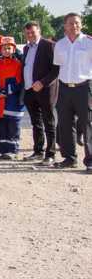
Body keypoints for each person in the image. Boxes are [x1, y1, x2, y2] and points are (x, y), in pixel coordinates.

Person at [53, 13, 92, 171]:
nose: (74, 25)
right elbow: (58, 66)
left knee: (87, 123)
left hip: (84, 87)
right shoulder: (60, 44)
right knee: (65, 123)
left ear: (81, 25)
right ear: (65, 26)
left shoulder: (89, 43)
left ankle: (90, 160)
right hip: (64, 87)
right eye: (71, 23)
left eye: (77, 23)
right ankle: (69, 158)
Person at [21, 21, 59, 165]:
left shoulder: (49, 45)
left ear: (39, 31)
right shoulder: (26, 48)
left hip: (45, 91)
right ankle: (38, 151)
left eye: (33, 32)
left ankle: (50, 154)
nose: (30, 34)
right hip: (29, 91)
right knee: (36, 123)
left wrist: (42, 82)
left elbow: (56, 70)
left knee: (48, 122)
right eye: (27, 32)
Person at [0, 37, 25, 159]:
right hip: (0, 101)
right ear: (0, 50)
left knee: (13, 127)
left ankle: (12, 151)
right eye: (4, 48)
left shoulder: (18, 65)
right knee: (1, 126)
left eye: (9, 48)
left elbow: (19, 82)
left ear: (14, 49)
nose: (6, 50)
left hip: (13, 102)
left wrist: (7, 91)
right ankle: (2, 150)